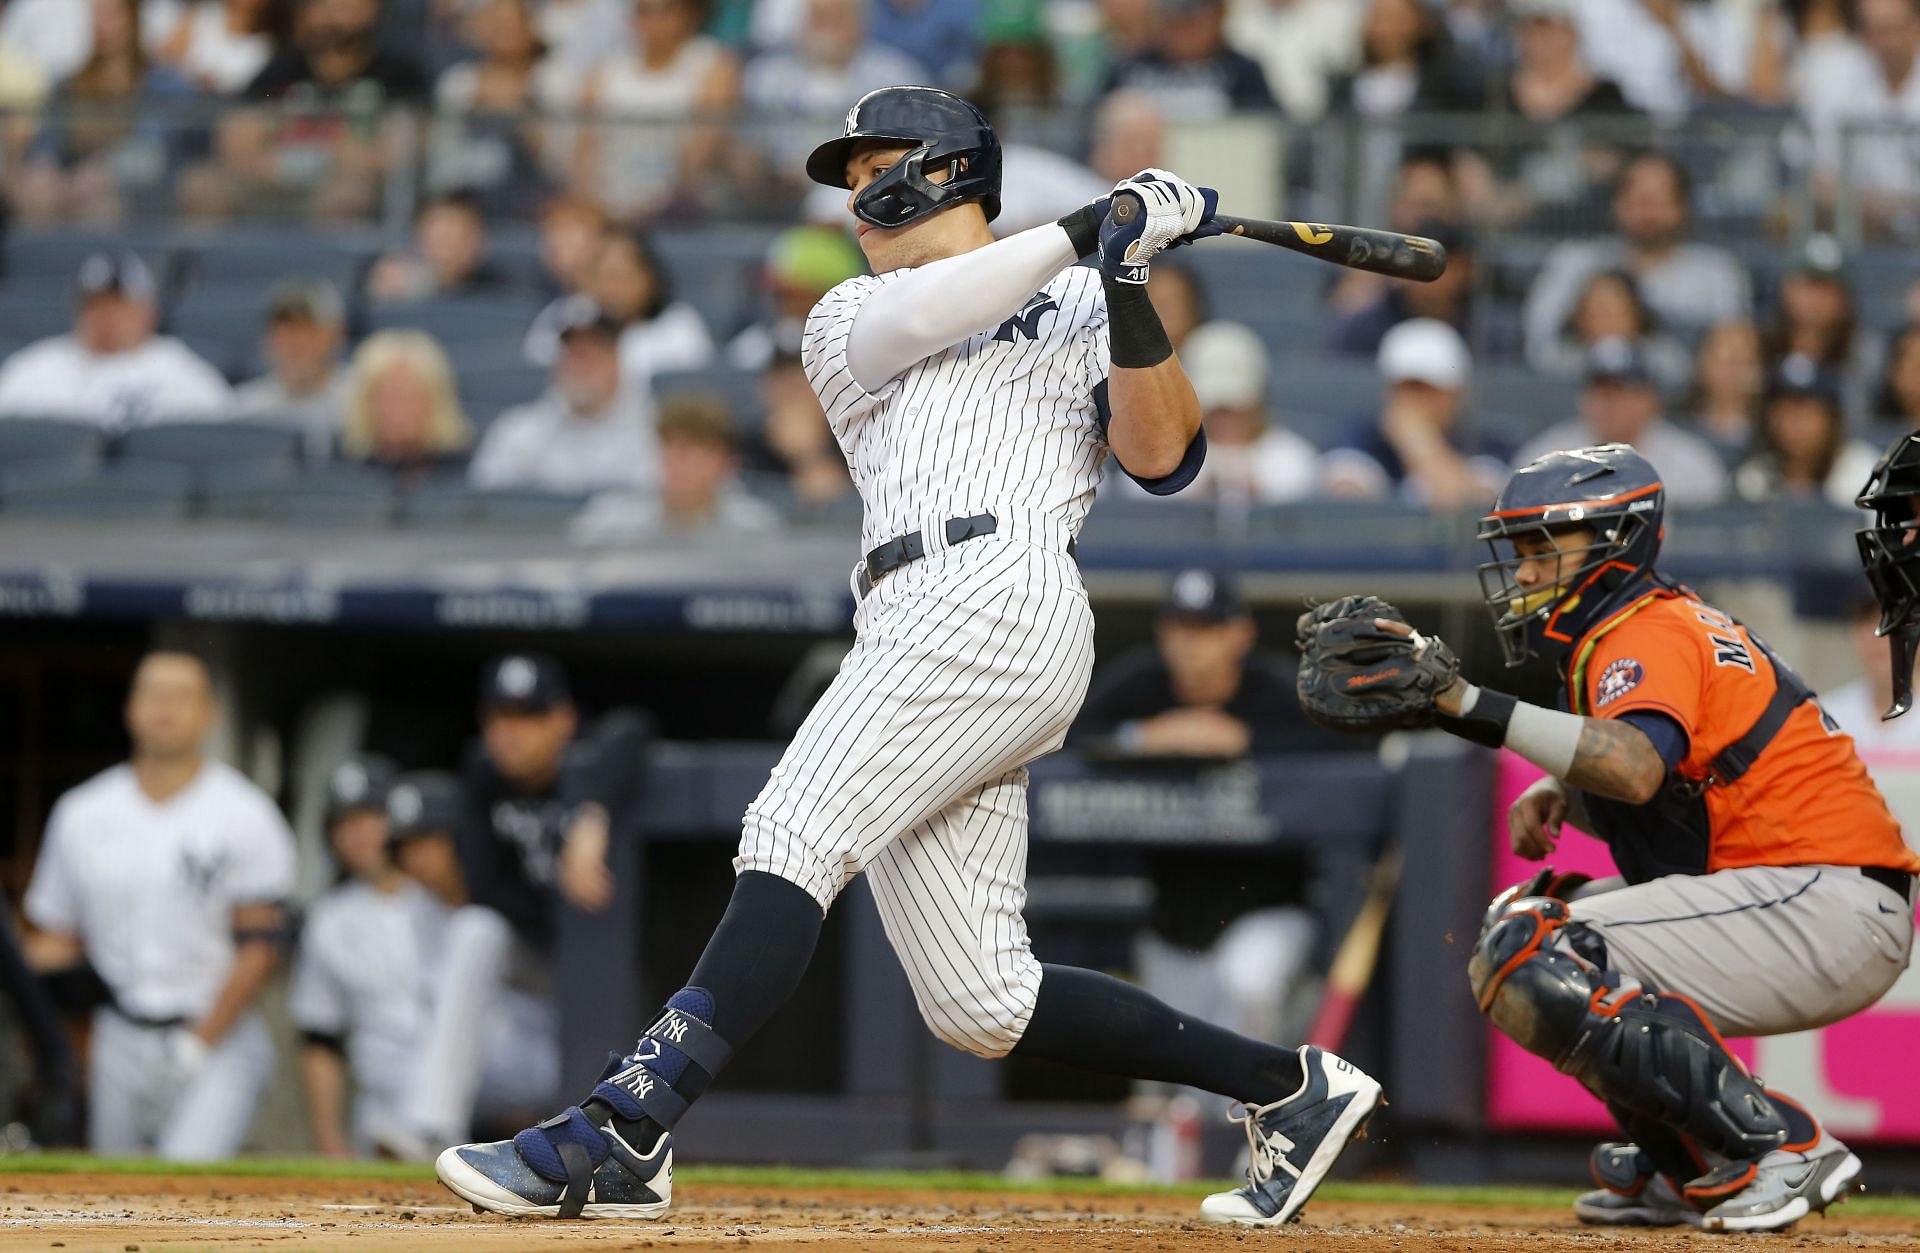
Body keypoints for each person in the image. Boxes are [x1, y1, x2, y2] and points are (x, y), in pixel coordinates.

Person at [437, 85, 1381, 1228]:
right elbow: (926, 316)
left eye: (877, 165)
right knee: (980, 997)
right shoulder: (848, 316)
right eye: (851, 175)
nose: (857, 194)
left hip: (1000, 587)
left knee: (790, 830)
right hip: (908, 609)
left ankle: (626, 1126)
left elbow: (1166, 454)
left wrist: (1127, 279)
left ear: (947, 170)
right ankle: (1290, 1086)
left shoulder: (1083, 295)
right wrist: (1091, 225)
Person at [1317, 443, 1916, 1232]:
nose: (1525, 570)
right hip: (1804, 890)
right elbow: (1673, 785)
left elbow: (1635, 768)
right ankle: (1692, 1160)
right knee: (1523, 924)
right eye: (1520, 548)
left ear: (1613, 540)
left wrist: (1464, 702)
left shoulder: (1644, 627)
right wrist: (1566, 787)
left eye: (1542, 546)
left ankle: (1778, 1145)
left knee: (1539, 950)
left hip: (1822, 893)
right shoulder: (1646, 625)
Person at [20, 652, 296, 1160]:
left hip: (216, 1035)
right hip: (117, 1034)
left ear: (209, 712)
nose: (165, 708)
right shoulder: (82, 811)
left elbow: (261, 948)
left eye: (181, 696)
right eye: (153, 694)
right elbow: (56, 939)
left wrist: (201, 1039)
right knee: (114, 1196)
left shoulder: (245, 812)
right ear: (130, 708)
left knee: (186, 1180)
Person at [372, 656, 644, 1157]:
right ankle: (432, 1123)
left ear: (562, 719)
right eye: (499, 718)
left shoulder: (589, 767)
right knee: (477, 928)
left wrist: (591, 819)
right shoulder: (482, 776)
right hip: (538, 957)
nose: (510, 733)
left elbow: (635, 727)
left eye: (527, 716)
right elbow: (484, 889)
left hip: (612, 968)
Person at [294, 760, 561, 1157]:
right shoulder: (328, 920)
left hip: (493, 1077)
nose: (360, 835)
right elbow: (320, 1035)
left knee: (478, 931)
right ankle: (428, 1127)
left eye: (371, 819)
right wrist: (327, 1136)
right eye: (345, 824)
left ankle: (433, 1126)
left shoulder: (460, 899)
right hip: (386, 1104)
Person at [1523, 152, 1752, 362]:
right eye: (1637, 198)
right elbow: (1540, 343)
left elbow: (1732, 354)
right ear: (1617, 204)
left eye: (1661, 199)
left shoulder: (1717, 272)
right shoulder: (1574, 260)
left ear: (1684, 207)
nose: (1648, 211)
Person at [218, 0, 431, 221]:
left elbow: (416, 142)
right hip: (275, 184)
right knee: (205, 188)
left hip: (359, 189)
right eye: (325, 5)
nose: (336, 16)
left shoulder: (397, 75)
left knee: (344, 200)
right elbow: (237, 137)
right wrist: (278, 164)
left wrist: (350, 159)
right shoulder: (280, 71)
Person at [1073, 568, 1317, 755]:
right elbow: (1066, 734)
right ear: (1162, 632)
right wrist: (1137, 737)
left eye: (1205, 628)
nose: (1188, 643)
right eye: (1179, 626)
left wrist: (1245, 738)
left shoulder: (1274, 684)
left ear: (1243, 634)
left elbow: (1339, 739)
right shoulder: (1138, 679)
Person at [0, 251, 231, 427]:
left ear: (150, 312)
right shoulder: (32, 369)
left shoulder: (184, 372)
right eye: (95, 306)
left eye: (119, 306)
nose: (106, 317)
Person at [560, 0, 740, 219]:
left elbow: (704, 148)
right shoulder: (606, 71)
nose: (652, 22)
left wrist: (658, 203)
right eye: (642, 11)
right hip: (611, 201)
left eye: (663, 11)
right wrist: (595, 205)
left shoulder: (711, 64)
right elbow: (584, 150)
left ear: (689, 15)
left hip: (684, 203)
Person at [469, 300, 659, 494]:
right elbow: (487, 508)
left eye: (594, 352)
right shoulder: (518, 432)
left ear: (617, 361)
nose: (582, 365)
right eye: (573, 353)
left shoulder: (655, 433)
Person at [1320, 317, 1509, 509]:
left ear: (1457, 394)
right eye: (1406, 388)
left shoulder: (1489, 444)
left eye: (1429, 389)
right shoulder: (1358, 439)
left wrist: (1421, 444)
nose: (1417, 401)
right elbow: (1346, 506)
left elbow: (1464, 508)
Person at [1515, 338, 1728, 508]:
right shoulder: (1545, 459)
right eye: (1602, 393)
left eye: (1624, 393)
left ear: (1651, 401)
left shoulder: (1691, 463)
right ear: (1583, 400)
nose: (1612, 405)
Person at [570, 392, 781, 538]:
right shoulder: (612, 520)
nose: (681, 461)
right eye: (671, 447)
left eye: (697, 450)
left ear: (727, 464)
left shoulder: (754, 527)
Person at [1175, 320, 1317, 502]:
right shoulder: (1164, 464)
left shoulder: (1295, 459)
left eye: (1236, 406)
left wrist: (1262, 498)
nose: (1225, 415)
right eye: (1215, 408)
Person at [228, 277, 352, 457]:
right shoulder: (244, 412)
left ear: (337, 335)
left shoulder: (365, 402)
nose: (295, 344)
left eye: (307, 330)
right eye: (284, 330)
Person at [1733, 356, 1880, 507]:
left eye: (1803, 410)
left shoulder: (1864, 473)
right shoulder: (1753, 477)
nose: (1790, 422)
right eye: (1782, 410)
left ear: (1831, 419)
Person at [1100, 0, 1279, 120]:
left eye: (1191, 21)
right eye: (1171, 19)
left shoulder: (1243, 73)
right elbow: (1093, 122)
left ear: (1218, 18)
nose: (1182, 31)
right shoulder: (1131, 68)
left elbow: (1271, 129)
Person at [725, 224, 868, 371]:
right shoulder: (753, 347)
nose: (781, 305)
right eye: (778, 295)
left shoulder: (864, 350)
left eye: (792, 296)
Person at [1530, 268, 1691, 392]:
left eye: (1615, 310)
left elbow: (1678, 378)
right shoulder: (1560, 357)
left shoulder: (1664, 356)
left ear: (1636, 313)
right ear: (1579, 317)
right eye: (1597, 310)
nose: (1606, 319)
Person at [340, 329, 473, 479]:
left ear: (436, 400)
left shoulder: (469, 472)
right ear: (364, 402)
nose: (398, 409)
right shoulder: (340, 468)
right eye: (386, 395)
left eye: (410, 395)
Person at [364, 192, 516, 304]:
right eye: (440, 239)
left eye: (456, 238)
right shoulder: (396, 287)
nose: (447, 251)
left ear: (479, 240)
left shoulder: (504, 291)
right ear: (419, 237)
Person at [1682, 318, 1764, 461]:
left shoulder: (1771, 436)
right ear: (1701, 364)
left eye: (1745, 362)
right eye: (1725, 360)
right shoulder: (1677, 427)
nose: (1734, 371)